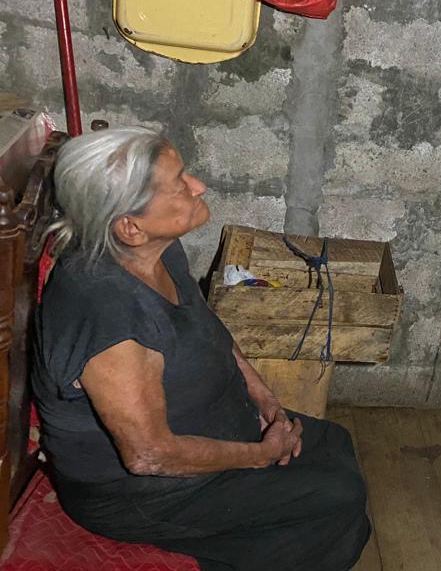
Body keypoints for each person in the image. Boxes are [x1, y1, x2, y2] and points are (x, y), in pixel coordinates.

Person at [32, 127, 371, 571]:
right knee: (335, 498)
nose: (198, 186)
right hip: (147, 494)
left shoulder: (154, 252)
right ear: (130, 227)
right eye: (179, 184)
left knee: (333, 444)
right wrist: (260, 456)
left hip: (220, 425)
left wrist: (265, 399)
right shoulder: (107, 314)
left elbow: (207, 327)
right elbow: (149, 455)